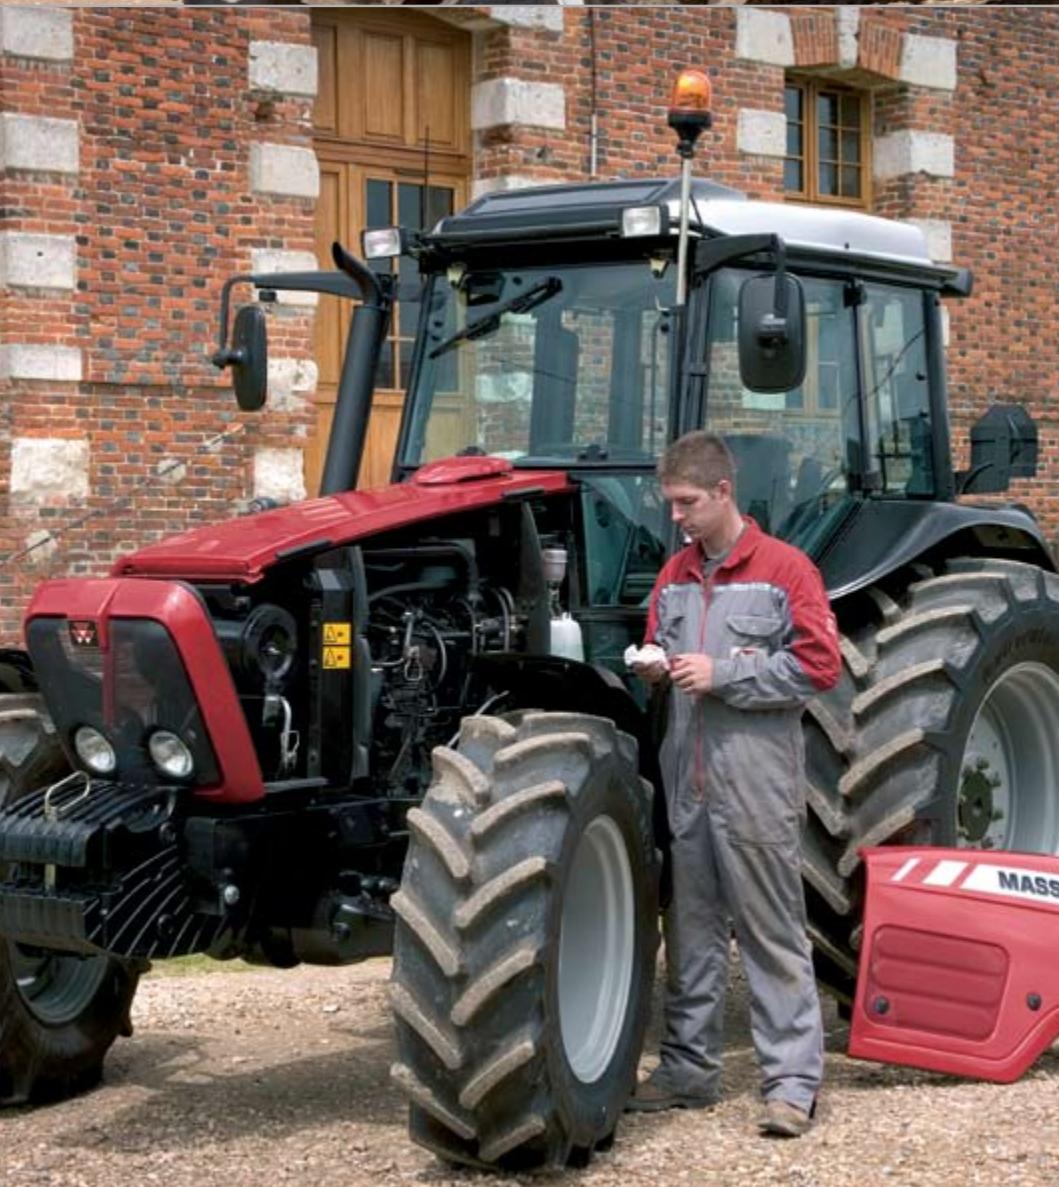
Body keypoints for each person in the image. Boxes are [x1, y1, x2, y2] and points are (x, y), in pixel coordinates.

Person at [626, 431, 841, 1138]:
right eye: (670, 504)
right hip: (686, 782)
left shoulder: (786, 571)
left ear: (722, 492)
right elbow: (658, 637)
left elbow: (817, 668)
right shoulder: (673, 575)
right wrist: (656, 663)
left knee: (770, 932)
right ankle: (688, 1069)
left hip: (755, 784)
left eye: (686, 502)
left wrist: (725, 675)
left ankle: (791, 1082)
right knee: (688, 932)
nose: (677, 517)